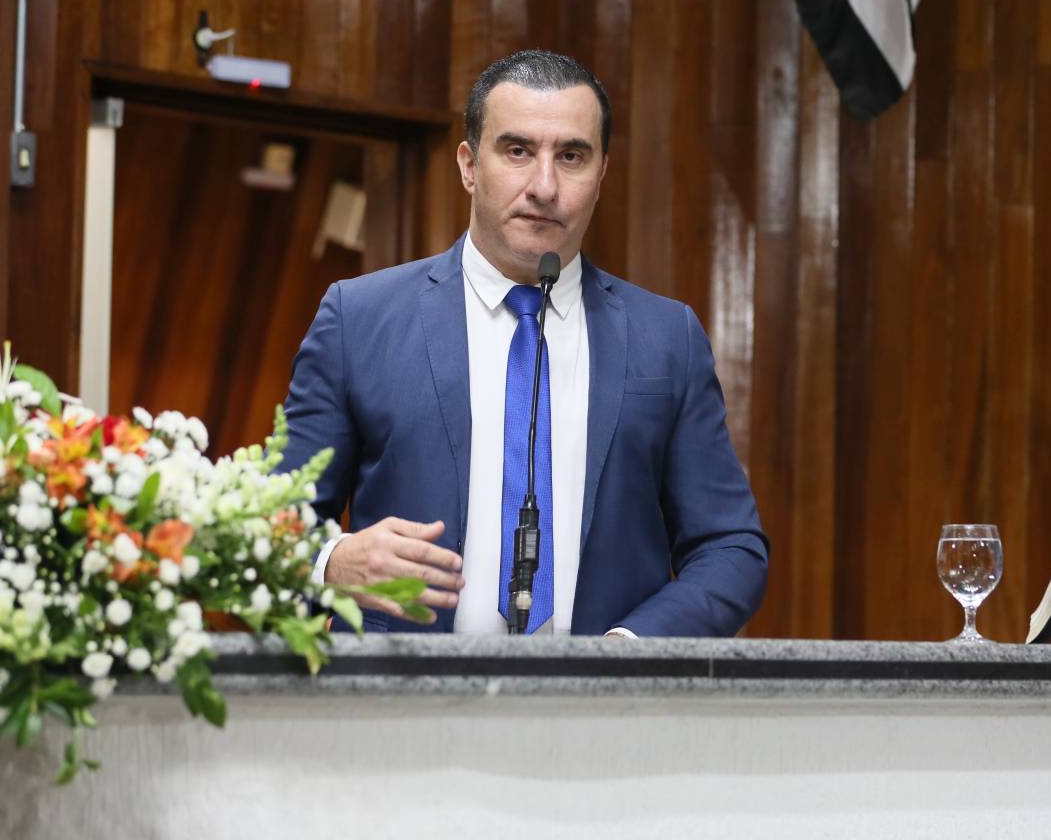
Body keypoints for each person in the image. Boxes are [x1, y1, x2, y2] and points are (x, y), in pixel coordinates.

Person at [281, 49, 769, 637]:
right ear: (469, 165)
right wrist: (331, 564)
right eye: (517, 151)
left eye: (571, 156)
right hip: (403, 689)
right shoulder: (358, 319)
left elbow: (731, 548)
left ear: (602, 174)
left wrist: (629, 654)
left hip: (601, 692)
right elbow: (268, 531)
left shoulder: (667, 338)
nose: (544, 186)